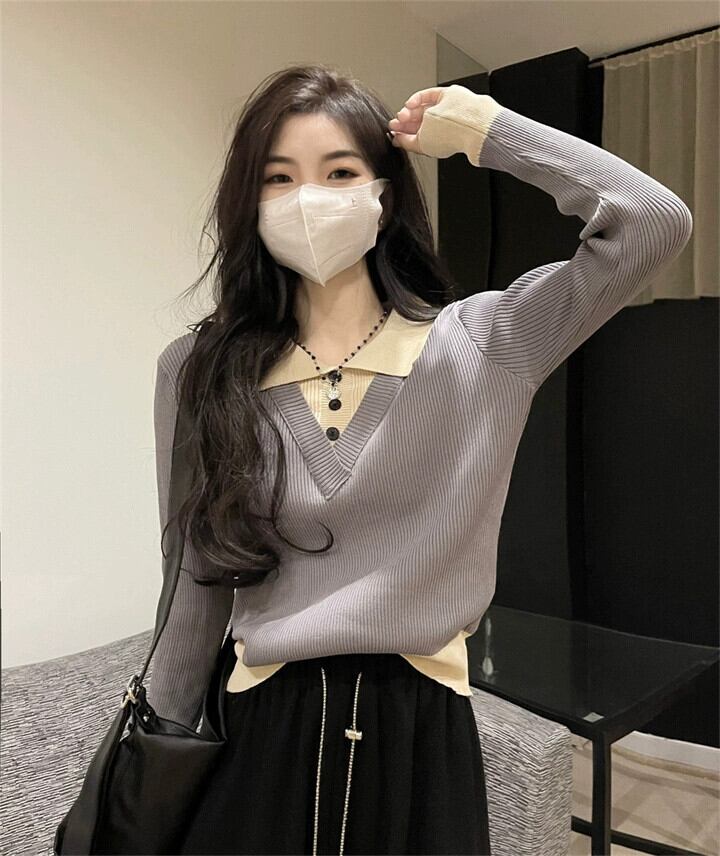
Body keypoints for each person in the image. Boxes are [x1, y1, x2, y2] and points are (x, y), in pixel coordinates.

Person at [148, 63, 692, 855]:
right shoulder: (199, 370)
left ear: (385, 193)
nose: (308, 199)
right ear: (248, 202)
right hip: (258, 733)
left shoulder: (488, 342)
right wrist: (151, 765)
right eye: (278, 178)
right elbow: (191, 589)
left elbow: (652, 221)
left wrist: (487, 132)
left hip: (421, 736)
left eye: (340, 172)